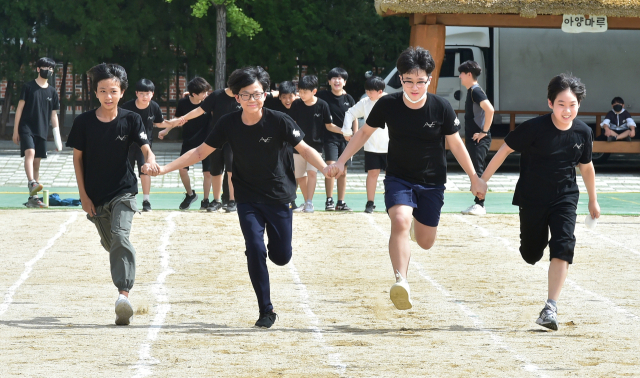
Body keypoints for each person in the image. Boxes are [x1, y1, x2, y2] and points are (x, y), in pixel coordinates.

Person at [145, 66, 329, 328]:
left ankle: (275, 253)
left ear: (265, 95)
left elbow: (305, 148)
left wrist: (326, 168)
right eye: (246, 95)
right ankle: (266, 310)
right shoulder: (228, 123)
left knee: (281, 256)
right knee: (254, 248)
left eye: (257, 94)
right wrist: (163, 169)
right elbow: (199, 153)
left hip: (278, 195)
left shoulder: (279, 121)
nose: (252, 100)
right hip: (247, 196)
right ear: (236, 97)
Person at [326, 47, 486, 310]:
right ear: (400, 79)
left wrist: (474, 177)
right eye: (408, 81)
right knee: (399, 219)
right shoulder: (387, 104)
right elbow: (364, 133)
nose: (414, 87)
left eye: (420, 81)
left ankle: (414, 225)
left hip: (432, 181)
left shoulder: (441, 107)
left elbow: (456, 144)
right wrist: (341, 161)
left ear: (429, 80)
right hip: (399, 177)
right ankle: (401, 281)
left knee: (425, 241)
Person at [480, 73, 600, 331]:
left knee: (563, 245)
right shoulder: (533, 128)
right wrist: (483, 180)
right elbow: (504, 150)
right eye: (561, 104)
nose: (567, 111)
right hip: (533, 198)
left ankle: (550, 307)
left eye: (572, 105)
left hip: (565, 197)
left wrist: (593, 200)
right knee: (531, 253)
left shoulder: (583, 132)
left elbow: (586, 167)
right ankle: (534, 247)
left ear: (579, 105)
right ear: (549, 103)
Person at [66, 63, 159, 325]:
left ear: (122, 92)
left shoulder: (131, 119)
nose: (108, 96)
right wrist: (83, 195)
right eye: (103, 91)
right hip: (96, 197)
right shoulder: (83, 122)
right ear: (95, 92)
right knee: (113, 245)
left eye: (114, 91)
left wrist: (149, 160)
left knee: (120, 236)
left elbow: (145, 147)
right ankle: (122, 261)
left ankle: (123, 297)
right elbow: (77, 160)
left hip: (124, 191)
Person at [162, 84, 242, 212]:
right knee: (216, 170)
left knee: (231, 169)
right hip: (216, 137)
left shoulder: (244, 96)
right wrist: (181, 119)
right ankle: (216, 201)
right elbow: (199, 110)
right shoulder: (217, 95)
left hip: (234, 139)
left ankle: (232, 200)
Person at [12, 57, 62, 208]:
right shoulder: (28, 87)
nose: (49, 71)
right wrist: (15, 130)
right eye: (46, 67)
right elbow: (19, 108)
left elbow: (53, 115)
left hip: (42, 129)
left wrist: (57, 138)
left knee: (37, 163)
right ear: (38, 69)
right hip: (26, 127)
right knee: (30, 153)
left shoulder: (53, 92)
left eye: (51, 69)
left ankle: (33, 198)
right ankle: (32, 182)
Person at [121, 79, 176, 212]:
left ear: (152, 94)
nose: (144, 97)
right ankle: (127, 199)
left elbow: (159, 123)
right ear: (136, 93)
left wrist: (175, 123)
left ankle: (146, 201)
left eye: (147, 94)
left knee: (145, 171)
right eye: (141, 94)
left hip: (145, 146)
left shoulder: (154, 107)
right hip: (127, 145)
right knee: (126, 172)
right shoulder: (127, 106)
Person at [161, 77, 215, 210]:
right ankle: (190, 195)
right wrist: (166, 130)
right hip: (189, 140)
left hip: (207, 141)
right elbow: (177, 119)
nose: (206, 95)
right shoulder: (184, 103)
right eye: (203, 92)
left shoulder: (209, 102)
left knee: (208, 173)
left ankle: (206, 200)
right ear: (194, 94)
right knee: (182, 169)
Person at [342, 76, 389, 213]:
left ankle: (391, 202)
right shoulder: (365, 102)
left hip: (390, 146)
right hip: (372, 146)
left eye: (371, 91)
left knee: (391, 176)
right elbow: (350, 113)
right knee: (372, 173)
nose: (368, 94)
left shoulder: (390, 101)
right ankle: (370, 203)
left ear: (380, 91)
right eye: (367, 91)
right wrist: (346, 130)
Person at [289, 75, 333, 213]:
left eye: (304, 92)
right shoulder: (296, 104)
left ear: (314, 91)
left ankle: (309, 203)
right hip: (298, 145)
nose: (301, 94)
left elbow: (329, 125)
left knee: (312, 173)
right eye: (300, 91)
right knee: (300, 175)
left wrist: (344, 132)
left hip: (316, 146)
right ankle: (306, 201)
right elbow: (292, 124)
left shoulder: (323, 105)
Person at [457, 60, 494, 216]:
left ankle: (480, 205)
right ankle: (478, 204)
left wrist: (484, 132)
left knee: (478, 171)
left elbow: (490, 110)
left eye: (462, 73)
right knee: (475, 170)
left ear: (469, 74)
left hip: (479, 138)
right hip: (475, 138)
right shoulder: (472, 91)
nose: (460, 76)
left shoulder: (475, 91)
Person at [317, 67, 356, 211]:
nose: (337, 80)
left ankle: (341, 202)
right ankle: (329, 200)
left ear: (344, 82)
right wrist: (343, 132)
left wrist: (355, 135)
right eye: (334, 78)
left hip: (346, 140)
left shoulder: (349, 98)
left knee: (343, 171)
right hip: (330, 138)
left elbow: (354, 117)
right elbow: (328, 124)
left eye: (340, 78)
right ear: (329, 81)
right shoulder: (323, 96)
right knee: (331, 167)